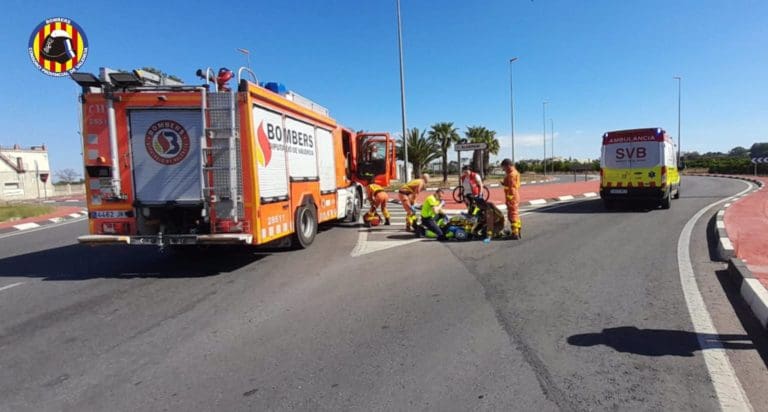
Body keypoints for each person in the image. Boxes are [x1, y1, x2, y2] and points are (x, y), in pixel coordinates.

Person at [501, 158, 521, 239]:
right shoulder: (514, 172)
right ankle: (517, 230)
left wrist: (510, 199)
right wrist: (504, 183)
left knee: (512, 215)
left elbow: (512, 188)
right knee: (514, 214)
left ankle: (515, 233)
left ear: (508, 166)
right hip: (514, 196)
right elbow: (510, 185)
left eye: (504, 167)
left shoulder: (511, 175)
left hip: (512, 197)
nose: (503, 169)